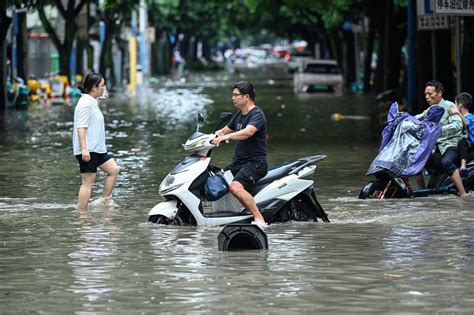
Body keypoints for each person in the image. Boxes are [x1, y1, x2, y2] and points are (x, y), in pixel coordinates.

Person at [212, 81, 268, 227]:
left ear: (246, 97)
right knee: (217, 181)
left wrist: (227, 137)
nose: (233, 98)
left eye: (236, 95)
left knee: (235, 187)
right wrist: (203, 139)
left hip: (255, 163)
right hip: (239, 163)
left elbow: (248, 132)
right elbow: (223, 131)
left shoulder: (257, 114)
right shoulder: (239, 115)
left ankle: (259, 218)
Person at [73, 72, 120, 209]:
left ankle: (105, 200)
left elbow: (93, 112)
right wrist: (84, 149)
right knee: (88, 182)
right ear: (94, 87)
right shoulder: (85, 104)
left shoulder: (91, 102)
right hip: (89, 149)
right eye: (102, 86)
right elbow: (81, 128)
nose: (104, 88)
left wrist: (99, 100)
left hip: (98, 148)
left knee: (113, 170)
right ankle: (81, 213)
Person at [414, 80, 468, 198]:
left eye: (430, 94)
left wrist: (438, 129)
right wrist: (404, 119)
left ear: (439, 93)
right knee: (415, 162)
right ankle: (421, 194)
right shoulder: (430, 110)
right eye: (425, 95)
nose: (427, 97)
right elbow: (419, 118)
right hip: (435, 147)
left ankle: (463, 193)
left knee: (446, 162)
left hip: (450, 145)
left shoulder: (450, 106)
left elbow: (457, 125)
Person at [449, 92, 474, 177]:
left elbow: (466, 124)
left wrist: (457, 113)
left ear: (460, 105)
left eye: (455, 104)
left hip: (471, 146)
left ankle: (463, 167)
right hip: (468, 146)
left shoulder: (470, 117)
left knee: (461, 140)